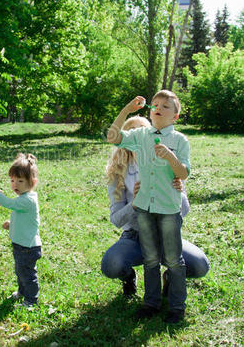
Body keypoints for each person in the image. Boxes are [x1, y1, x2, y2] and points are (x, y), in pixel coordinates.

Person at [101, 115, 209, 314]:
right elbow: (116, 220)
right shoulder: (118, 173)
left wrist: (177, 191)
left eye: (142, 130)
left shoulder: (168, 163)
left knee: (200, 265)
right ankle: (128, 277)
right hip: (134, 236)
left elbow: (183, 211)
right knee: (112, 264)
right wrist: (135, 203)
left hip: (166, 234)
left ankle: (170, 278)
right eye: (131, 131)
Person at [107, 90, 191, 323]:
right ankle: (151, 303)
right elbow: (113, 137)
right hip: (144, 207)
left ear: (175, 117)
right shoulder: (142, 135)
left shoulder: (180, 141)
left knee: (174, 260)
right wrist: (127, 109)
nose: (158, 108)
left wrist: (170, 158)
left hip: (168, 210)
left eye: (165, 106)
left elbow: (183, 173)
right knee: (151, 259)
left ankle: (176, 307)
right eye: (155, 104)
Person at [0, 153, 41, 307]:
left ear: (32, 182)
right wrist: (11, 223)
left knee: (27, 274)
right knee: (20, 271)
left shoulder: (27, 200)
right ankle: (22, 292)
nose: (15, 185)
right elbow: (22, 216)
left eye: (20, 181)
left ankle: (31, 300)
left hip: (27, 247)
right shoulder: (23, 198)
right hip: (21, 245)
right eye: (13, 180)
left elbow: (10, 204)